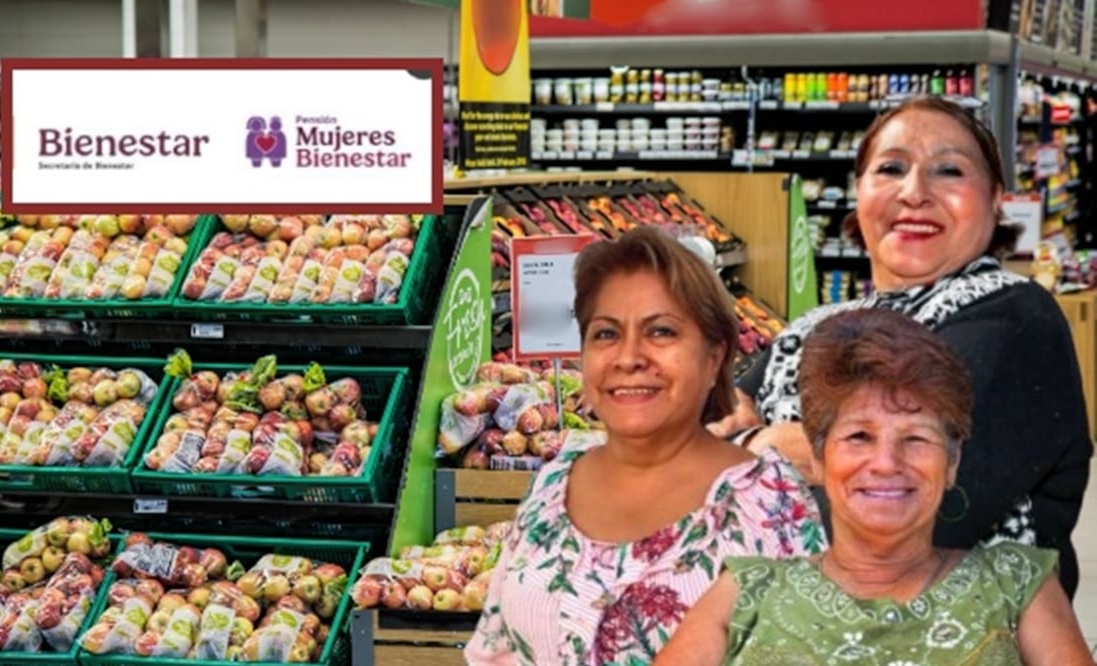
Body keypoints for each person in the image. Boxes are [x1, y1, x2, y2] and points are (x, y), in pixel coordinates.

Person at [714, 95, 1092, 599]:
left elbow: (905, 524)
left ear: (996, 198)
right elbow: (704, 426)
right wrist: (764, 446)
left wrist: (746, 457)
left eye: (949, 171)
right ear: (860, 192)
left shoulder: (1014, 318)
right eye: (891, 168)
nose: (914, 193)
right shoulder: (817, 324)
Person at [464, 227, 826, 665]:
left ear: (714, 357)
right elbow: (493, 650)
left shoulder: (767, 505)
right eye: (606, 334)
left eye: (660, 332)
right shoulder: (555, 482)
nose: (629, 357)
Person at [654, 309, 1092, 665]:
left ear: (953, 461)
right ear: (819, 460)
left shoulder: (1018, 584)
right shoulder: (748, 591)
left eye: (916, 439)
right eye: (859, 437)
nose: (886, 464)